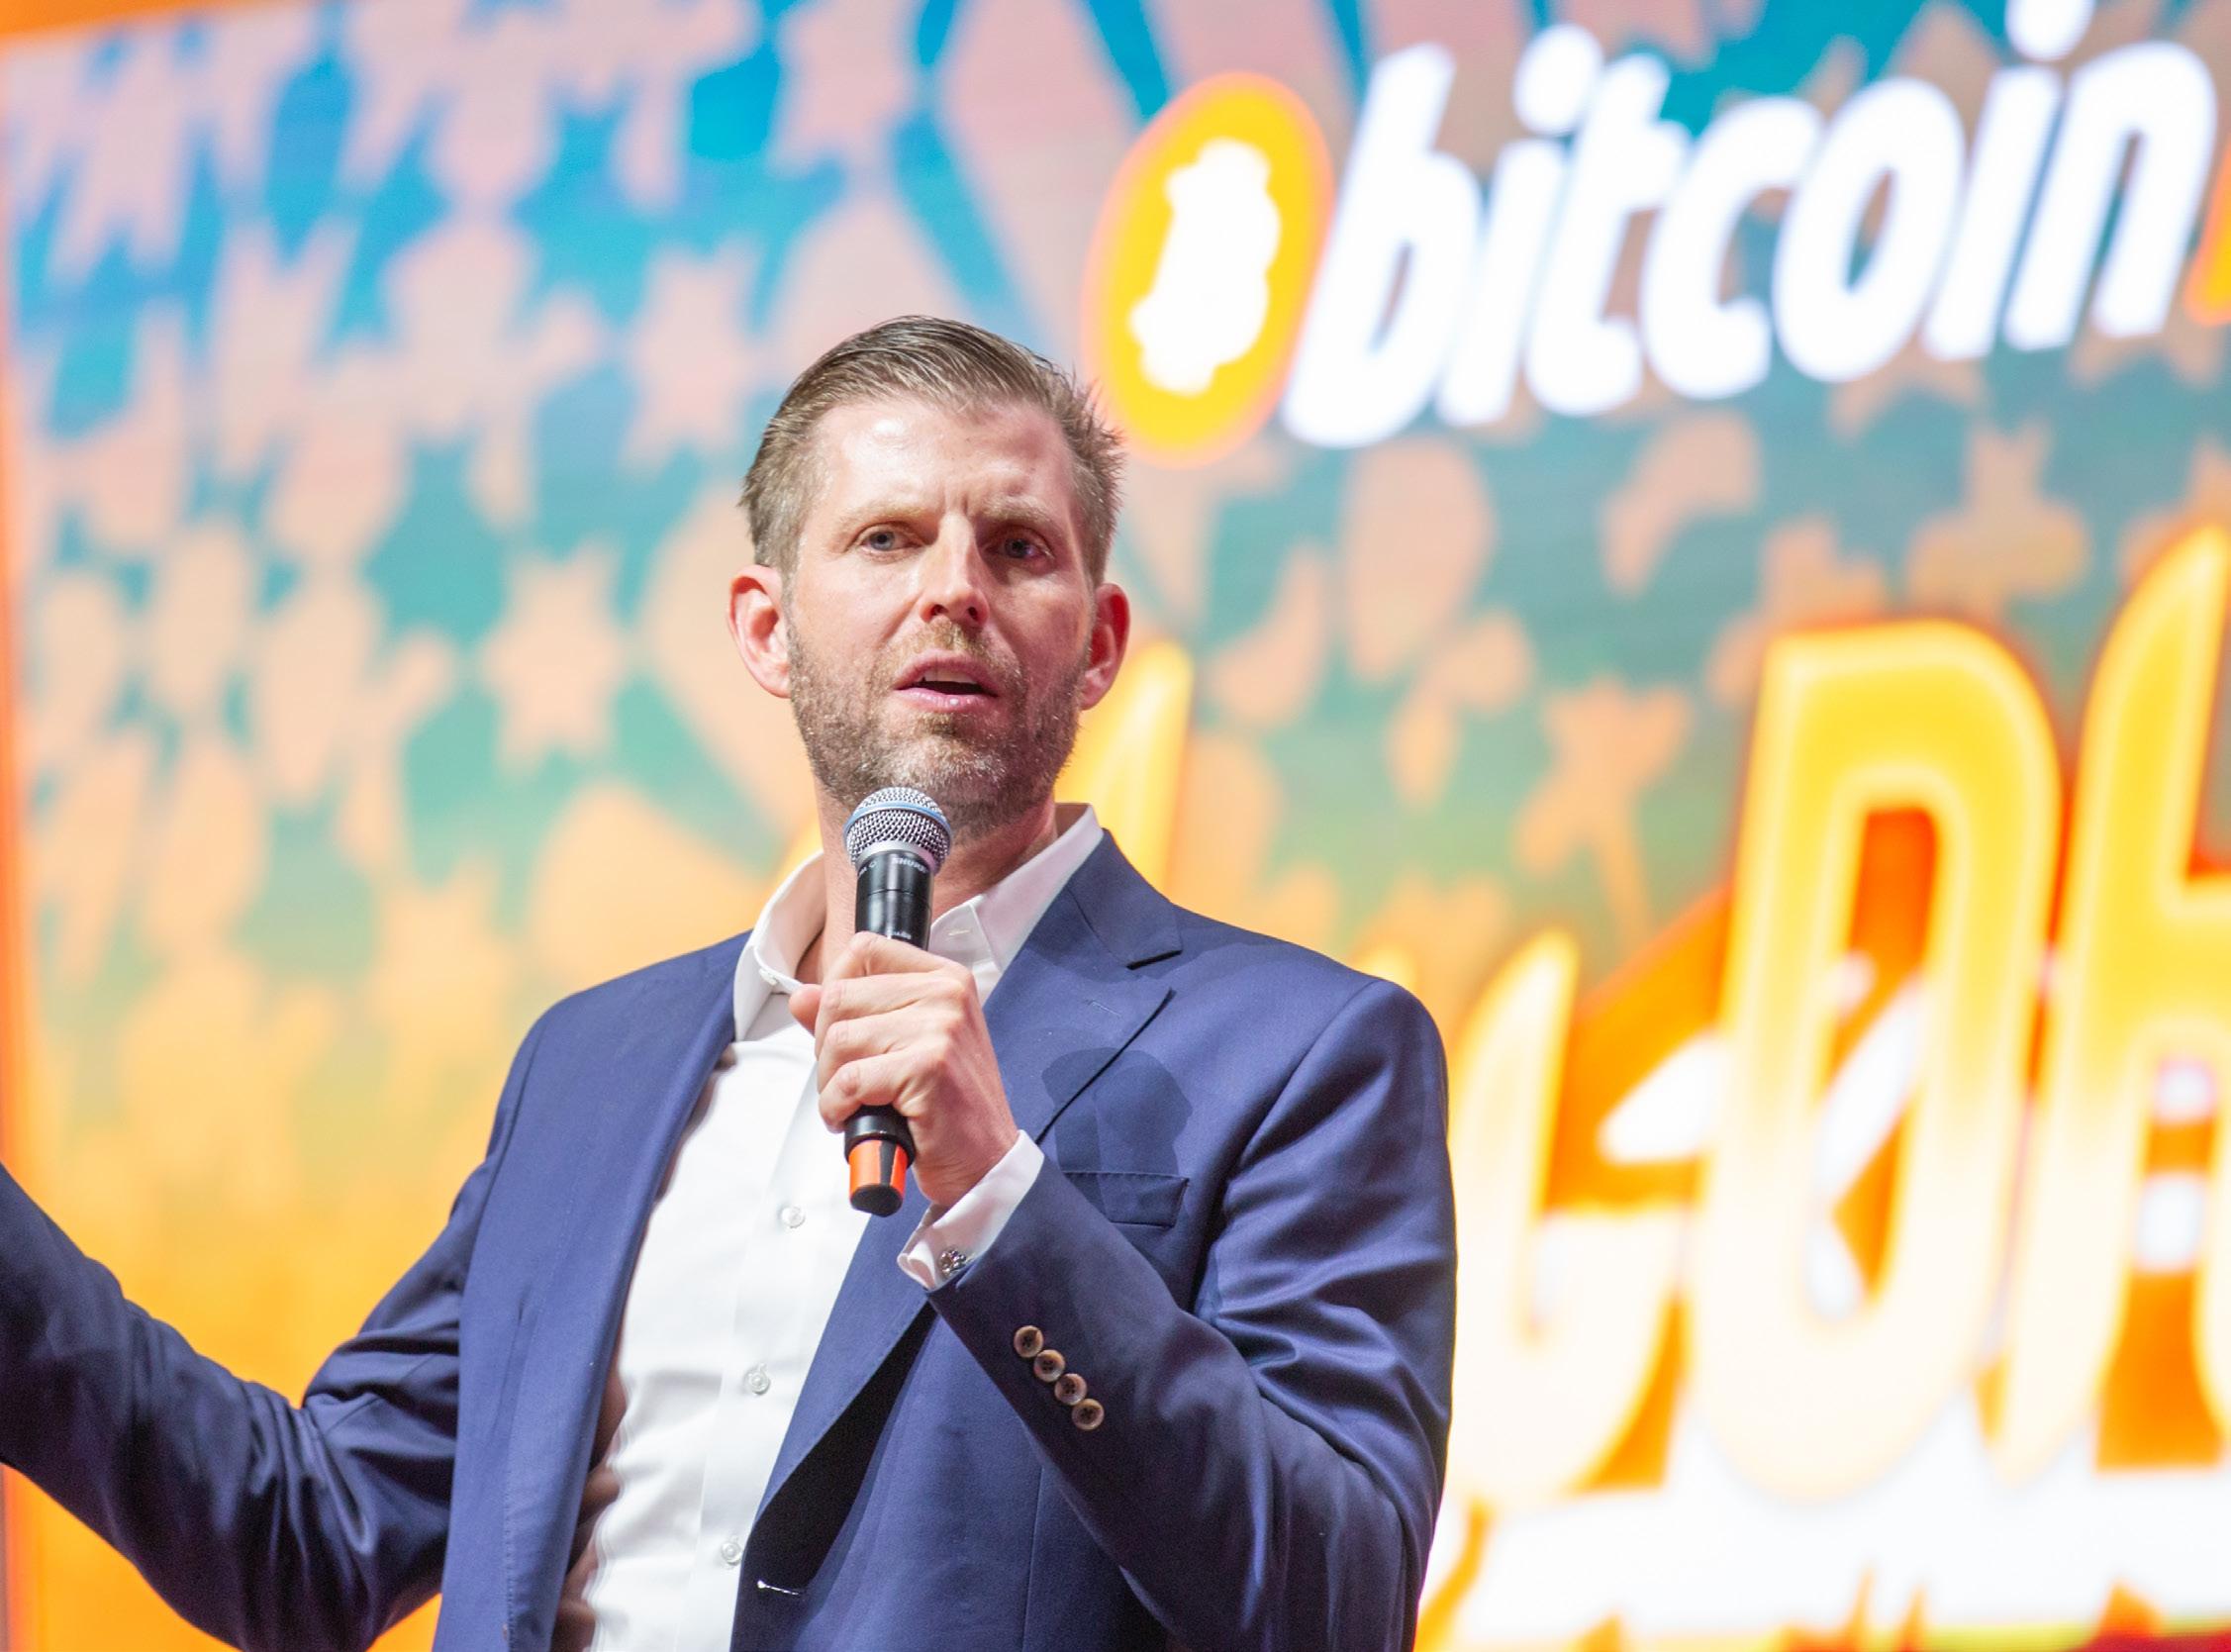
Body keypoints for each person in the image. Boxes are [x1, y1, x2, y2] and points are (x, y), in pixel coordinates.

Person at [0, 317, 1457, 1652]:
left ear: (1100, 644)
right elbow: (310, 1536)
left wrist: (999, 1202)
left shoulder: (1304, 1052)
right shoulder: (592, 1063)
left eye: (1017, 548)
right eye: (886, 538)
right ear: (767, 629)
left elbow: (1332, 1600)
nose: (953, 588)